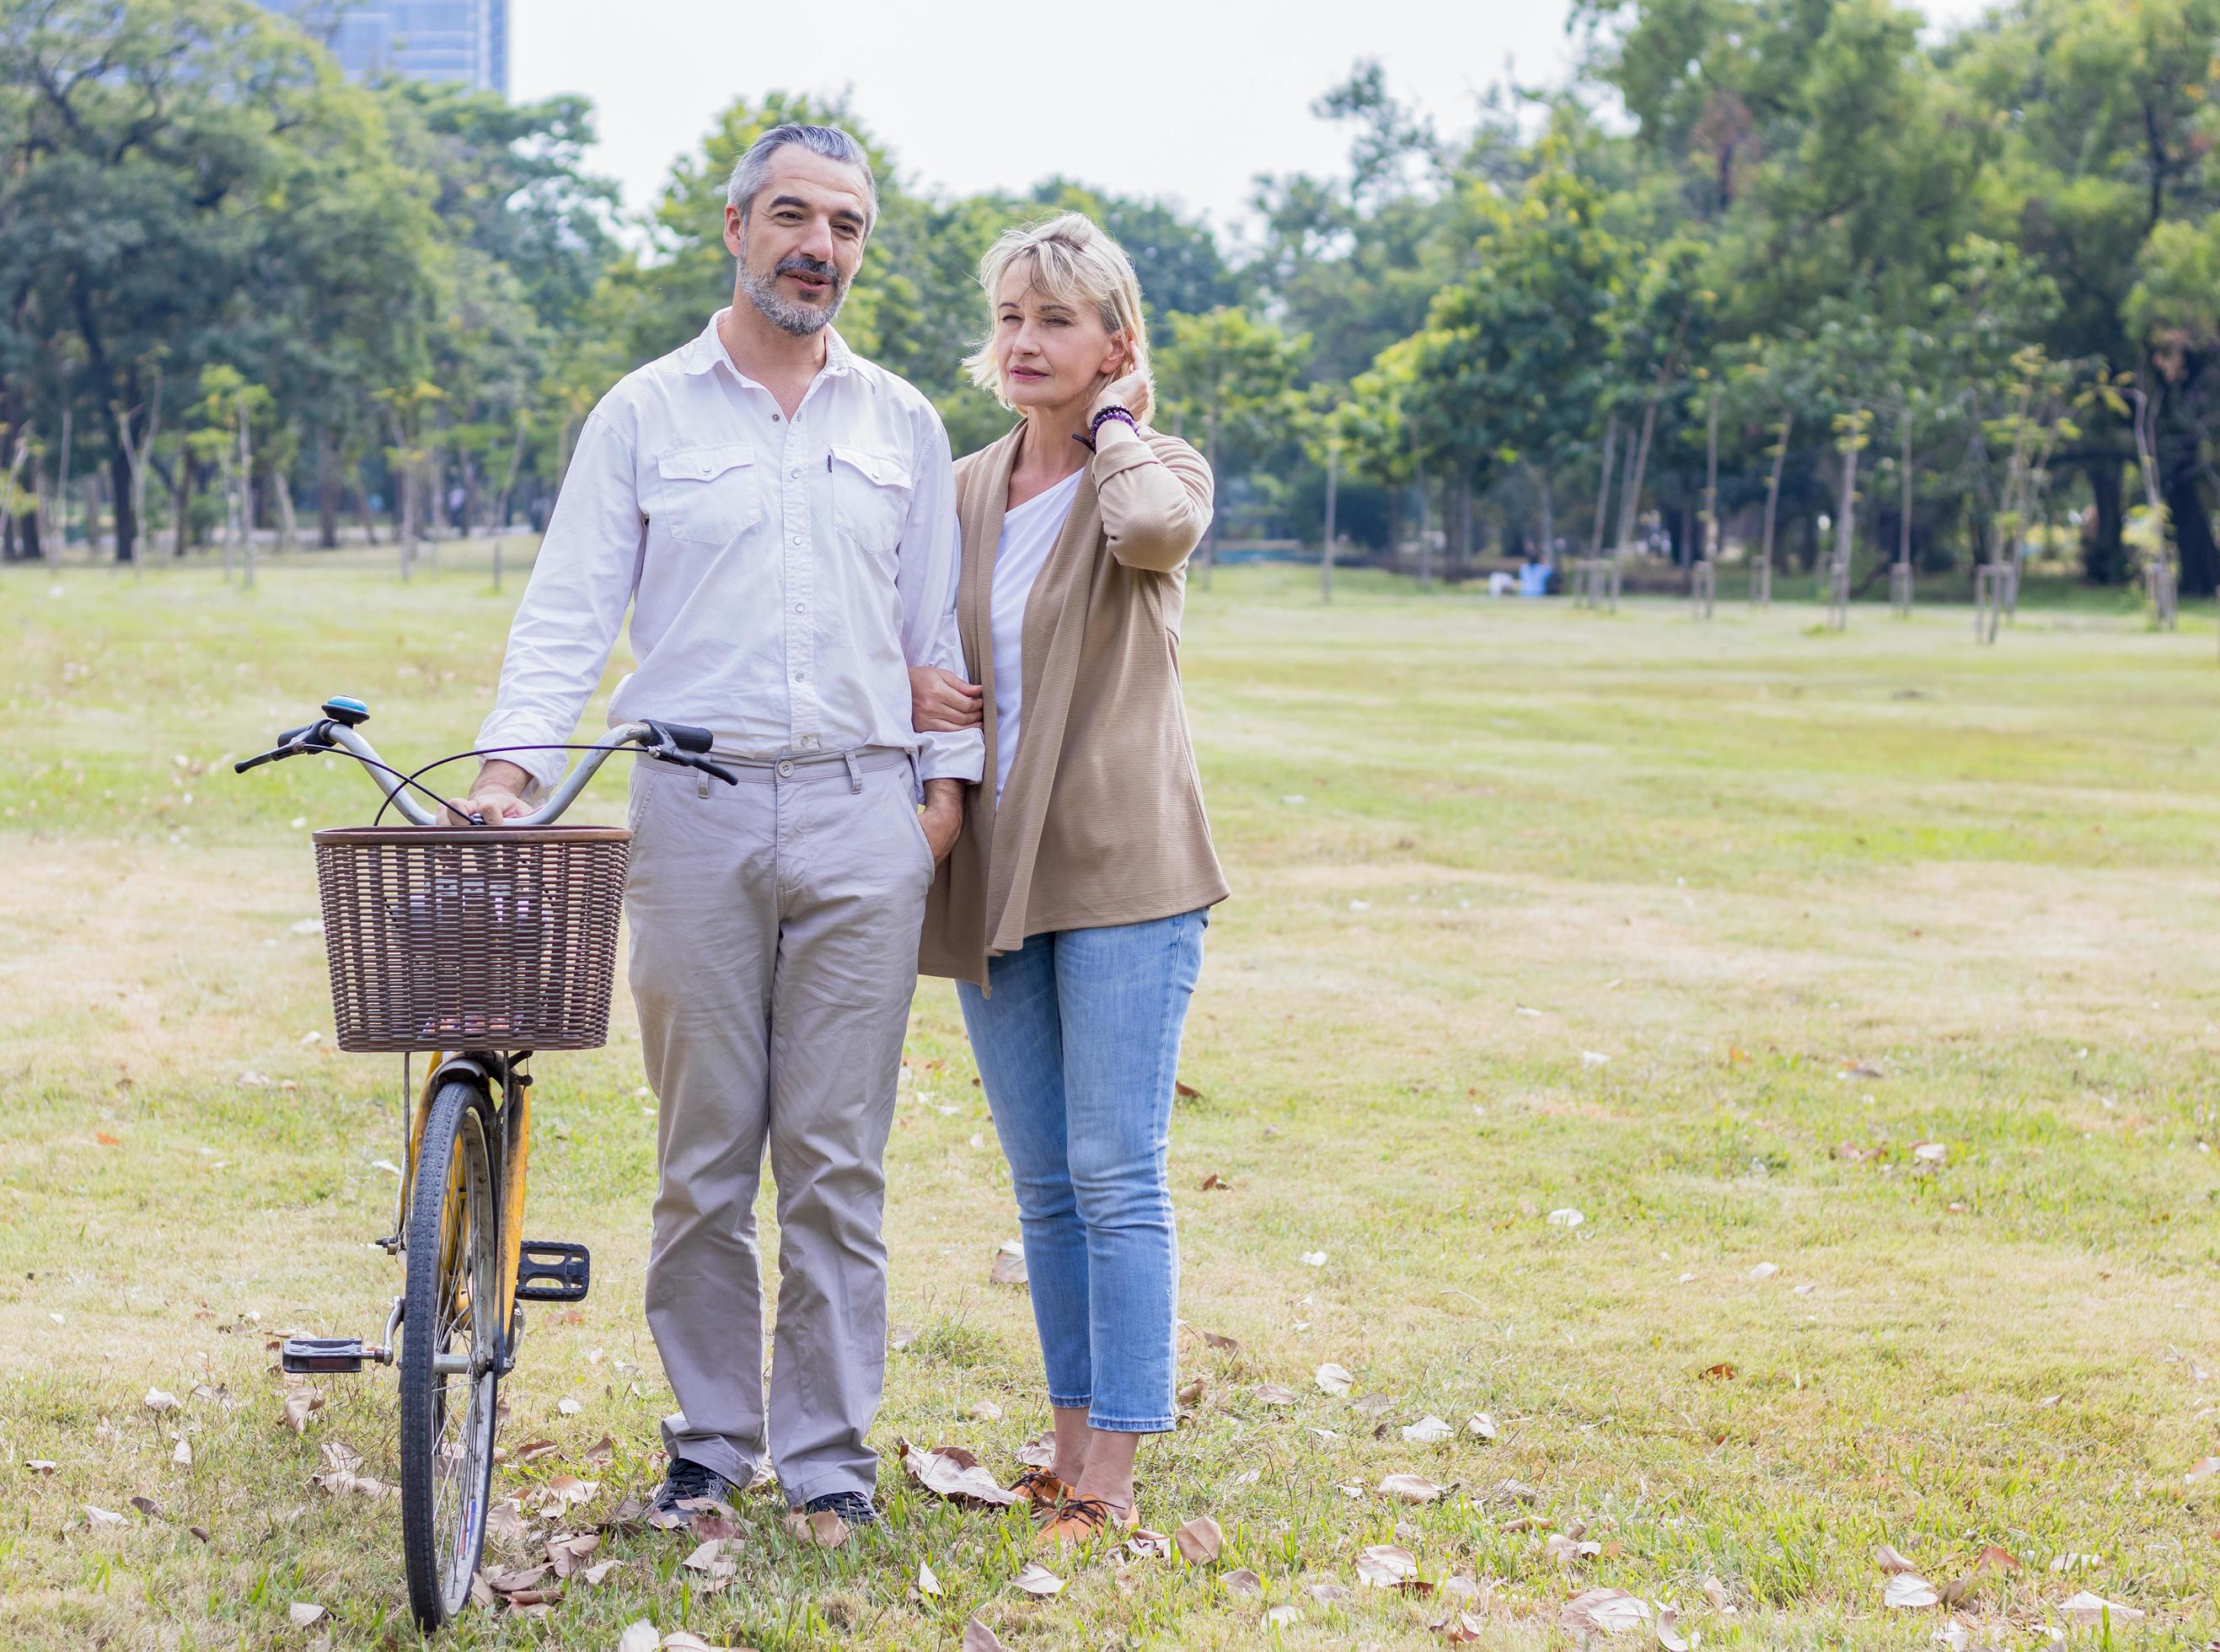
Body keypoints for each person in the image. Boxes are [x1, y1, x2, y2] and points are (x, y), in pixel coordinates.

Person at [455, 123, 982, 1531]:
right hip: (688, 811)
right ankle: (710, 1442)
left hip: (863, 813)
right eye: (795, 217)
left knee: (834, 1158)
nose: (821, 247)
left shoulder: (901, 425)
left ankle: (826, 1460)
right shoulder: (643, 413)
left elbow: (934, 626)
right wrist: (509, 771)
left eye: (849, 227)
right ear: (736, 228)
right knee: (704, 1156)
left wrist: (939, 798)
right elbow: (568, 610)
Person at [909, 212, 1230, 1548]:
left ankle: (1115, 1468)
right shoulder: (968, 482)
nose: (1026, 342)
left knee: (1115, 1169)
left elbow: (1155, 533)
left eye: (1057, 320)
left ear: (1115, 344)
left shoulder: (1153, 468)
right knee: (1043, 1182)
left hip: (1120, 869)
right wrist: (913, 682)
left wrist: (1115, 426)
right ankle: (1062, 1437)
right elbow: (915, 623)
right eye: (1011, 319)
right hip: (995, 866)